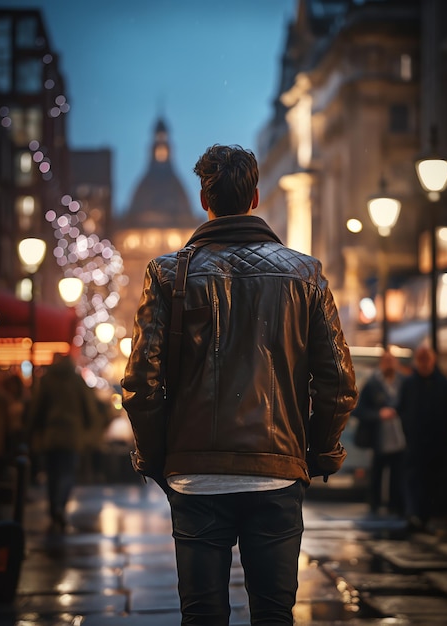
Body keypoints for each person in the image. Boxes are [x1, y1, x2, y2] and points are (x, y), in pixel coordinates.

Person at [121, 144, 358, 625]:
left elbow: (142, 384)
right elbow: (337, 380)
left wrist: (157, 458)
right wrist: (315, 452)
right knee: (274, 613)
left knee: (202, 614)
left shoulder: (167, 273)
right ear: (255, 198)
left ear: (204, 199)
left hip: (195, 472)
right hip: (276, 470)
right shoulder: (304, 274)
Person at [27, 353, 100, 531]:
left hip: (51, 434)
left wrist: (30, 430)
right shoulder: (76, 381)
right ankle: (60, 506)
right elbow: (89, 408)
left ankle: (54, 508)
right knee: (67, 472)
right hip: (72, 435)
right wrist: (90, 429)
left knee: (52, 474)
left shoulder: (47, 380)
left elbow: (37, 409)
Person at [397, 345, 447, 532]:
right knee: (416, 480)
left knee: (435, 482)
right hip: (416, 443)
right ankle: (417, 515)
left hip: (439, 443)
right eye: (421, 359)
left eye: (427, 359)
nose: (424, 363)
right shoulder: (410, 384)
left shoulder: (445, 385)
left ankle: (431, 516)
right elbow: (402, 409)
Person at [352, 350, 406, 517]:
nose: (389, 364)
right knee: (377, 472)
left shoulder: (403, 383)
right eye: (386, 361)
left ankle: (395, 505)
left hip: (400, 438)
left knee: (397, 474)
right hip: (379, 437)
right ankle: (375, 505)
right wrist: (378, 415)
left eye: (392, 361)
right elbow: (359, 410)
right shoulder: (373, 384)